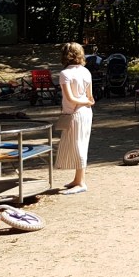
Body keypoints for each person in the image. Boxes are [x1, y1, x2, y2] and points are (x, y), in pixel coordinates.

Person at [56, 42, 95, 194]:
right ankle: (77, 179)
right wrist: (86, 102)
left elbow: (71, 98)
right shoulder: (86, 71)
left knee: (78, 145)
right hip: (85, 112)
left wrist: (84, 102)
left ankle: (82, 182)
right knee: (78, 143)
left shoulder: (65, 74)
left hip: (75, 113)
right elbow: (90, 97)